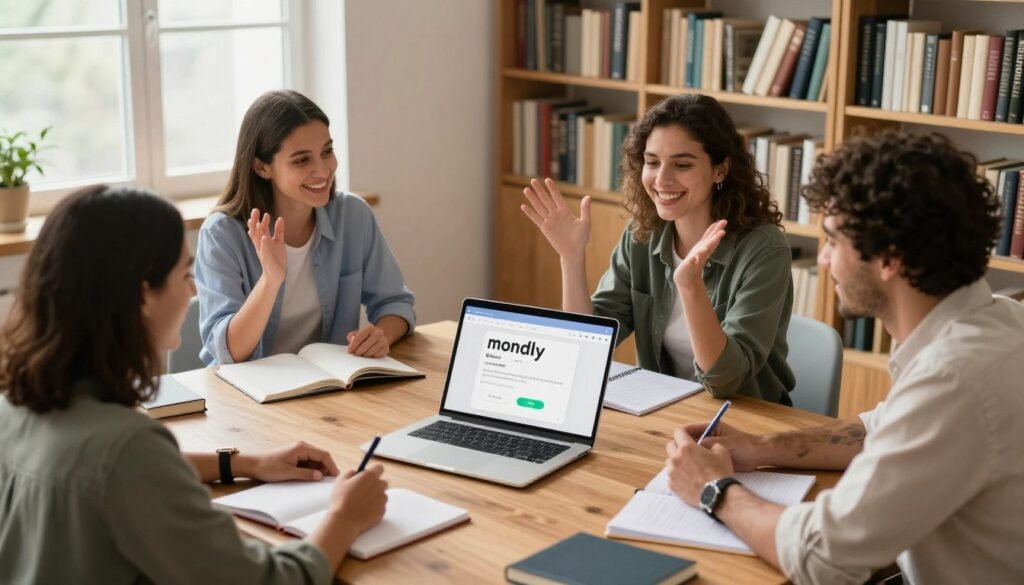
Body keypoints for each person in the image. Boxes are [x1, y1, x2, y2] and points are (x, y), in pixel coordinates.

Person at [664, 130, 1024, 584]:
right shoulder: (1002, 322)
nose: (827, 261)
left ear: (888, 259)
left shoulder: (952, 379)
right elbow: (888, 425)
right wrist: (760, 448)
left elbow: (821, 556)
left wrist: (712, 489)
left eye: (833, 241)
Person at [0, 185, 389, 584]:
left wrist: (242, 463)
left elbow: (115, 476)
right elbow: (271, 580)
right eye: (185, 274)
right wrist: (344, 517)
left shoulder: (14, 403)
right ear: (143, 295)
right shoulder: (128, 449)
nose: (193, 290)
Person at [522, 94, 794, 403]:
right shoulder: (642, 235)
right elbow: (587, 348)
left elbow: (725, 381)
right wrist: (571, 257)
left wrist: (689, 283)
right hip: (665, 411)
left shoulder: (764, 249)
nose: (662, 179)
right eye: (652, 162)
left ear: (720, 169)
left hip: (746, 419)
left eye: (681, 164)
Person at [196, 90, 415, 365]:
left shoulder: (353, 215)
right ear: (262, 167)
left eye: (327, 151)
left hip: (329, 387)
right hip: (247, 394)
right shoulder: (221, 235)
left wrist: (380, 335)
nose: (323, 170)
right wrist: (270, 281)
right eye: (302, 159)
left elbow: (395, 303)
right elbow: (229, 351)